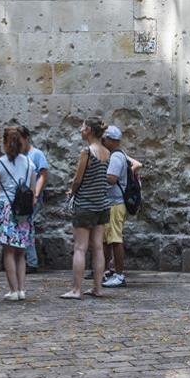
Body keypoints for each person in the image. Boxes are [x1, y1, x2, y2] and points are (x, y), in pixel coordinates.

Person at [62, 116, 111, 300]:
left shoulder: (86, 152)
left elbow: (77, 179)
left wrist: (71, 192)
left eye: (83, 127)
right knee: (98, 248)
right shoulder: (107, 152)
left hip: (84, 205)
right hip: (102, 205)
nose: (81, 130)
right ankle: (98, 288)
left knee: (80, 248)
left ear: (89, 130)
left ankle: (76, 289)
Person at [0, 127, 34, 302]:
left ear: (5, 142)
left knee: (8, 252)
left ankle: (13, 289)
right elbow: (32, 190)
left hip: (5, 208)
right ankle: (21, 289)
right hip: (23, 211)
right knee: (21, 251)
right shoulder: (30, 163)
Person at [101, 125, 140, 288]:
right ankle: (109, 271)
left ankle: (119, 275)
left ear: (110, 140)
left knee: (115, 240)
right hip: (113, 203)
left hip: (116, 203)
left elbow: (111, 178)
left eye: (104, 139)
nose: (102, 142)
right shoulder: (118, 154)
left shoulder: (116, 157)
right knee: (108, 240)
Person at [19, 125, 49, 272]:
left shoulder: (36, 154)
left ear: (27, 138)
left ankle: (31, 262)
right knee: (21, 227)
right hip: (18, 198)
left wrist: (36, 194)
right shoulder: (16, 155)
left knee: (27, 227)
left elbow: (43, 175)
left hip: (31, 197)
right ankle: (23, 260)